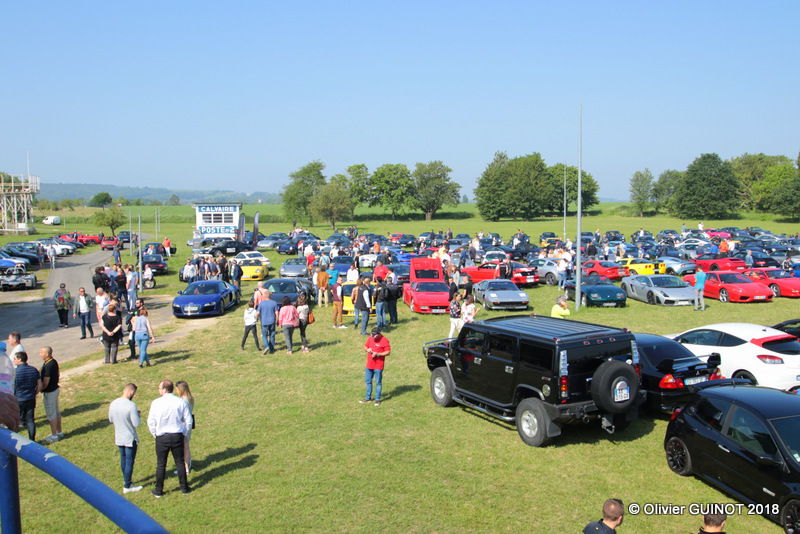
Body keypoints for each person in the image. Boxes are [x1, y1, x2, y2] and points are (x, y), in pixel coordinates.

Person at [147, 380, 192, 497]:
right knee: (180, 462)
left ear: (164, 389)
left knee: (161, 464)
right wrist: (184, 433)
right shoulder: (180, 402)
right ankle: (184, 488)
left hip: (162, 436)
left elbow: (150, 421)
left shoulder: (156, 403)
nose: (159, 391)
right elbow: (188, 420)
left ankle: (158, 490)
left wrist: (155, 434)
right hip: (177, 435)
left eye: (159, 389)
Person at [108, 383, 142, 494]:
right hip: (129, 437)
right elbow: (136, 424)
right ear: (132, 392)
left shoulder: (113, 403)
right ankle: (127, 485)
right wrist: (137, 415)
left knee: (123, 459)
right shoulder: (131, 405)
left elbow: (110, 419)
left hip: (119, 436)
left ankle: (126, 481)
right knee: (129, 461)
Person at [359, 327, 390, 407]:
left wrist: (378, 354)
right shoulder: (370, 338)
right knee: (368, 381)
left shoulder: (384, 340)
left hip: (378, 366)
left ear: (379, 334)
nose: (372, 336)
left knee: (378, 383)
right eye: (372, 334)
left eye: (374, 335)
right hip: (369, 365)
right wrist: (367, 349)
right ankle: (368, 398)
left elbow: (388, 352)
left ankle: (377, 399)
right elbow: (365, 347)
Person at [14, 351, 40, 440]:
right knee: (30, 420)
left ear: (20, 359)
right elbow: (39, 384)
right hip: (31, 397)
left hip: (19, 399)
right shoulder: (33, 370)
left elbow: (12, 386)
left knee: (16, 420)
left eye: (15, 359)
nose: (14, 361)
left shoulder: (15, 372)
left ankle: (16, 439)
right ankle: (32, 439)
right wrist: (35, 392)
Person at [39, 346, 63, 443]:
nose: (40, 355)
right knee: (56, 411)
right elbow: (58, 374)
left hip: (50, 392)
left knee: (51, 413)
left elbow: (45, 382)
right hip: (55, 388)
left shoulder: (48, 366)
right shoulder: (53, 361)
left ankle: (54, 435)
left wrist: (40, 389)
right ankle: (59, 431)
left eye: (41, 353)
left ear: (47, 354)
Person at [175, 381, 194, 476]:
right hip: (188, 424)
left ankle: (185, 466)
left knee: (184, 446)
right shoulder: (190, 398)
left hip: (183, 425)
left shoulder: (183, 400)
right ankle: (187, 464)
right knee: (185, 445)